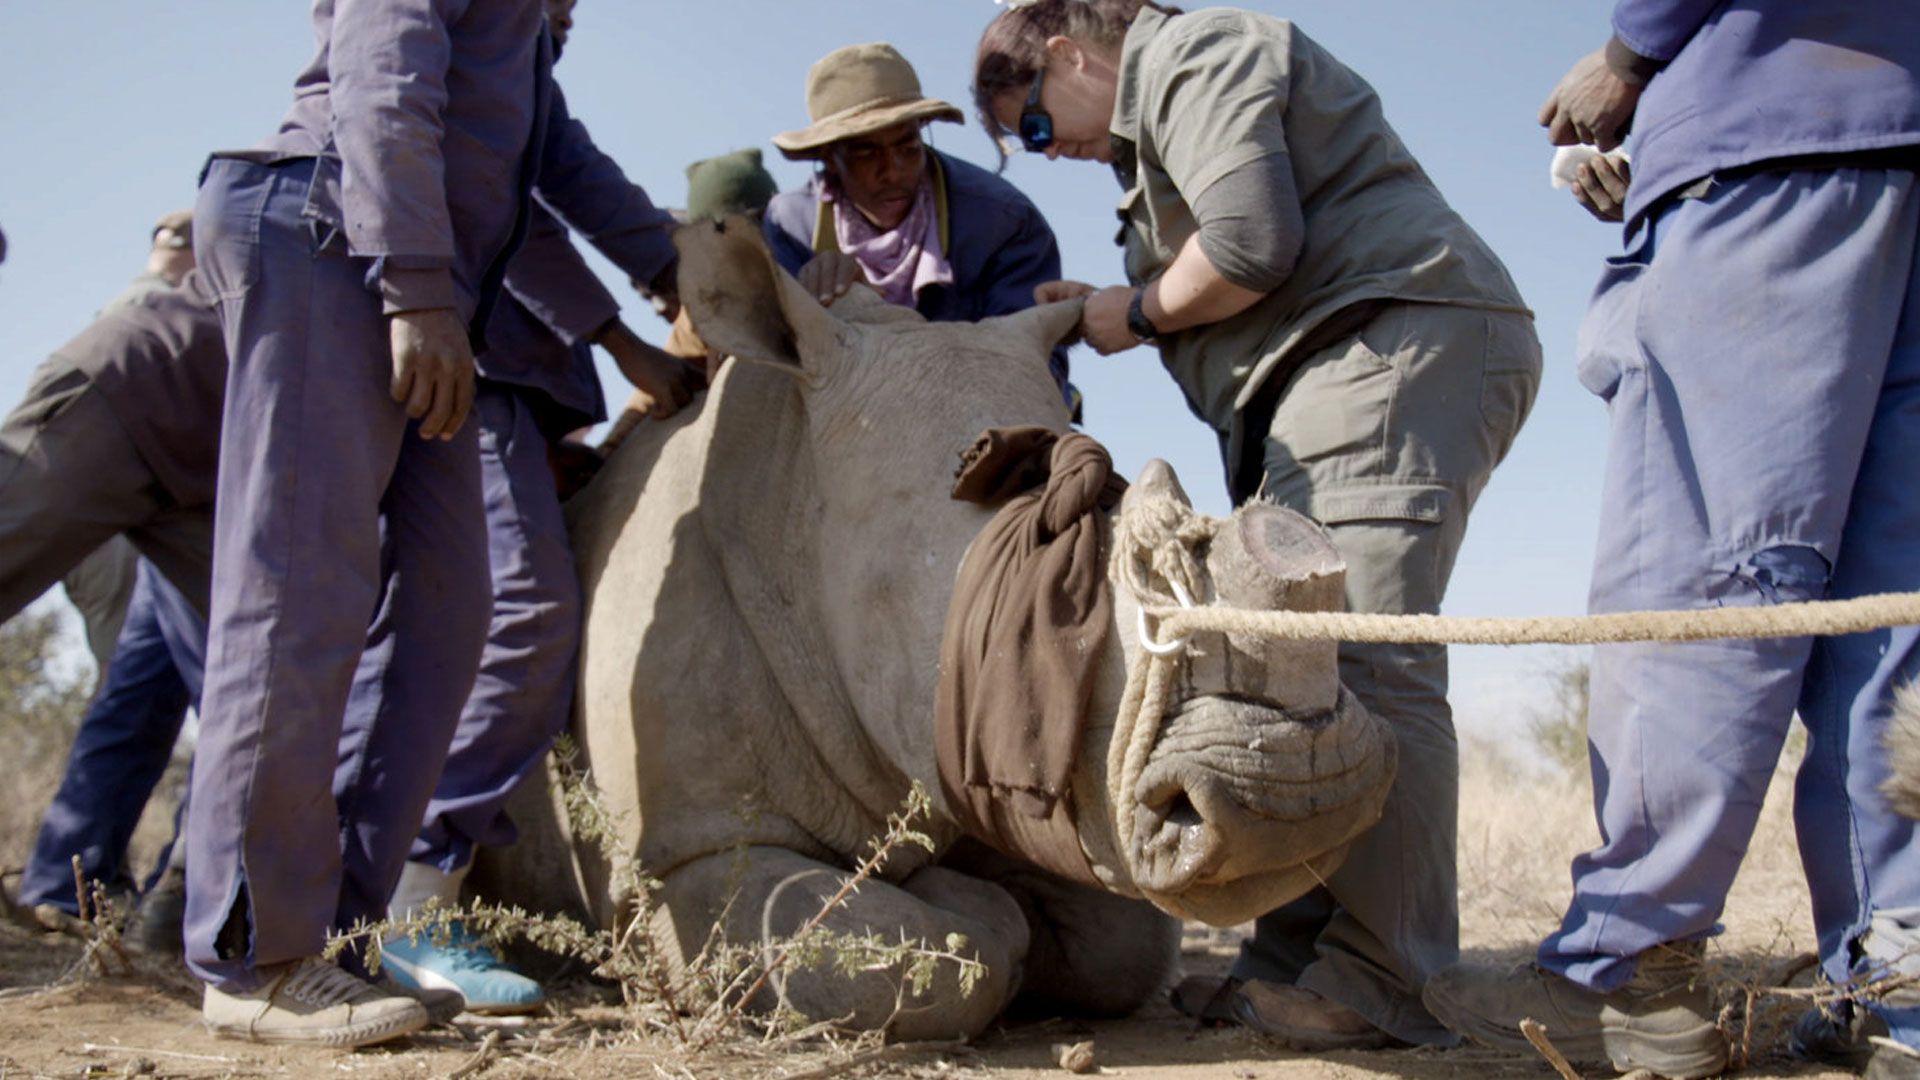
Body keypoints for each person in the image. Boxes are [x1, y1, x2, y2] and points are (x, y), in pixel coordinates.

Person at [972, 0, 1540, 1051]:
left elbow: (1248, 242)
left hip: (1384, 353)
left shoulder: (1192, 50)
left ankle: (1385, 986)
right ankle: (1288, 967)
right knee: (1299, 676)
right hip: (1331, 377)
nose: (1051, 155)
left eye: (1038, 128)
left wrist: (1130, 314)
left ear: (1066, 55)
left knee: (1371, 663)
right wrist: (1121, 298)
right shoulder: (1158, 107)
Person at [1419, 5, 1920, 1078]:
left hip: (1775, 148)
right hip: (1892, 142)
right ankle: (1900, 990)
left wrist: (1633, 53)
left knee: (1712, 571)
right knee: (1895, 613)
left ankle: (1626, 969)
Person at [187, 0, 564, 1046]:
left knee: (452, 607)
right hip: (329, 233)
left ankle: (336, 939)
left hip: (406, 274)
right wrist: (414, 284)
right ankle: (254, 957)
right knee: (299, 593)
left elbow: (561, 170)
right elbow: (382, 64)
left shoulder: (532, 30)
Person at [374, 0, 700, 1016]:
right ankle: (413, 900)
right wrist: (633, 325)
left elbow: (573, 181)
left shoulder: (524, 72)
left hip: (495, 378)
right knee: (524, 611)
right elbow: (512, 212)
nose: (567, 15)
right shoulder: (452, 40)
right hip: (457, 366)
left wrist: (669, 280)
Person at [764, 42, 1077, 413]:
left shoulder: (1002, 222)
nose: (894, 171)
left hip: (978, 422)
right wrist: (817, 308)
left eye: (908, 145)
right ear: (830, 158)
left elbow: (1034, 369)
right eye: (867, 153)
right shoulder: (790, 228)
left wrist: (883, 323)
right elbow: (775, 373)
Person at [602, 146, 781, 453]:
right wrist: (608, 448)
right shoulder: (703, 312)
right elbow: (648, 395)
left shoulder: (814, 264)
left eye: (757, 228)